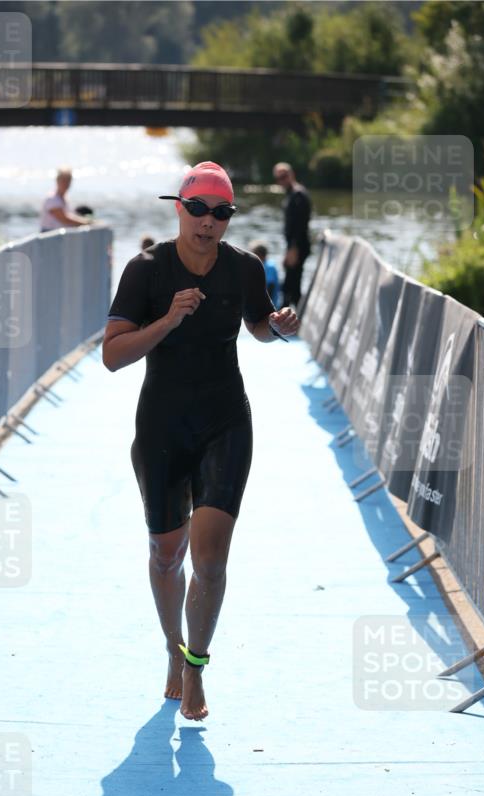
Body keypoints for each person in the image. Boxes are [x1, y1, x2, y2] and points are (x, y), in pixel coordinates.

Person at [103, 161, 298, 721]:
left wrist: (275, 327)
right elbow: (112, 356)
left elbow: (258, 324)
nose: (208, 222)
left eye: (220, 213)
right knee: (167, 556)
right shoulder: (146, 270)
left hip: (225, 422)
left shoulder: (244, 269)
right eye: (198, 209)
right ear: (178, 209)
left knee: (210, 560)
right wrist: (167, 320)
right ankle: (171, 647)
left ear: (229, 218)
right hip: (162, 426)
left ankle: (195, 665)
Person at [272, 161, 311, 308]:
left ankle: (286, 321)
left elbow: (300, 225)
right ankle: (296, 318)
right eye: (278, 178)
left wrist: (293, 249)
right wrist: (289, 250)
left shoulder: (298, 194)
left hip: (299, 246)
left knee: (290, 285)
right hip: (293, 247)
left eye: (284, 176)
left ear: (291, 174)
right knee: (293, 286)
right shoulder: (291, 194)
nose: (282, 180)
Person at [249, 240, 280, 307]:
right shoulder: (261, 265)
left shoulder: (270, 267)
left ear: (258, 255)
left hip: (270, 307)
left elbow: (270, 288)